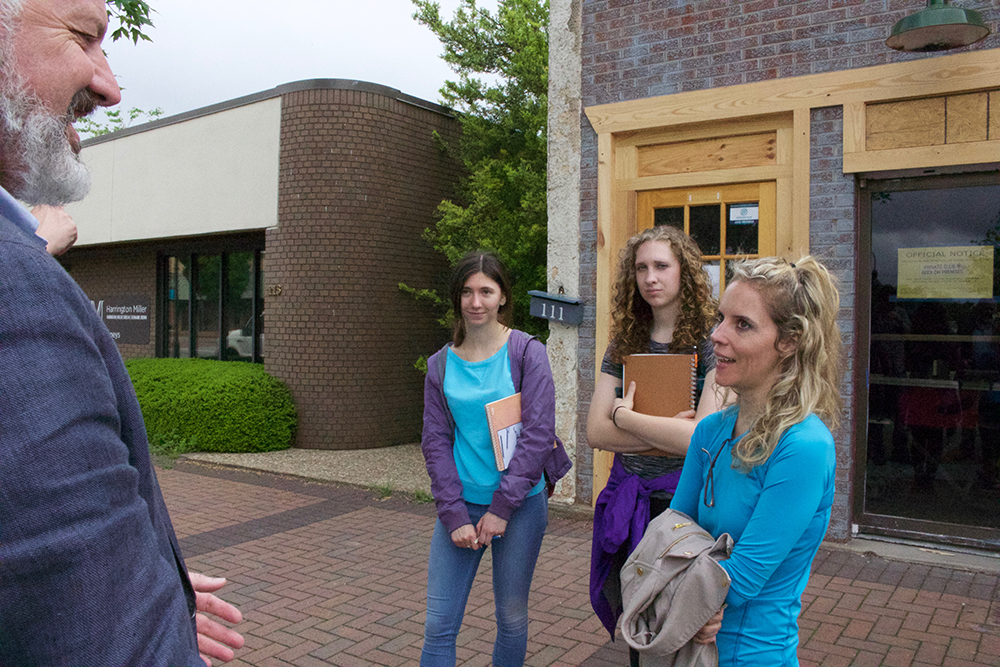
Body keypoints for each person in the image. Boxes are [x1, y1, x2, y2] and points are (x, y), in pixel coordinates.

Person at [0, 1, 243, 665]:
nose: (108, 85)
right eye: (85, 38)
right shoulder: (17, 293)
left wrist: (140, 585)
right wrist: (128, 606)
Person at [670, 256, 843, 666]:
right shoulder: (712, 430)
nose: (717, 335)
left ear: (789, 341)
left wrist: (685, 598)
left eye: (742, 324)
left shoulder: (803, 446)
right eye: (720, 318)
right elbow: (674, 530)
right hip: (685, 646)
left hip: (751, 653)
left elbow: (744, 576)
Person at [420, 251, 571, 666]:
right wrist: (453, 513)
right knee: (438, 625)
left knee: (511, 617)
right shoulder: (439, 365)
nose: (476, 302)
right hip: (462, 504)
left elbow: (537, 437)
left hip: (520, 506)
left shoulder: (526, 353)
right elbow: (434, 443)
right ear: (457, 297)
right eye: (467, 292)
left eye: (486, 291)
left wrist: (502, 508)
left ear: (502, 296)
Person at [587, 225, 723, 664]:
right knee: (637, 621)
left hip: (685, 510)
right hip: (630, 505)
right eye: (641, 267)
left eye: (662, 266)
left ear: (685, 273)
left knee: (682, 625)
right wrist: (668, 432)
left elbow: (698, 438)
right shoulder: (624, 343)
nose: (651, 277)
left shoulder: (712, 343)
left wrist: (625, 418)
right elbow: (595, 433)